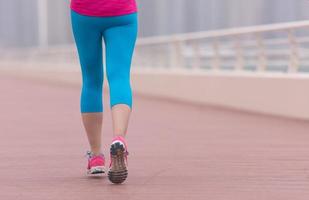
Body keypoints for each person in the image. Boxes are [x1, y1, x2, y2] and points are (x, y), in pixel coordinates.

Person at [70, 0, 138, 184]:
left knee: (91, 80)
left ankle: (96, 156)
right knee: (120, 78)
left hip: (85, 11)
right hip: (122, 11)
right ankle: (119, 140)